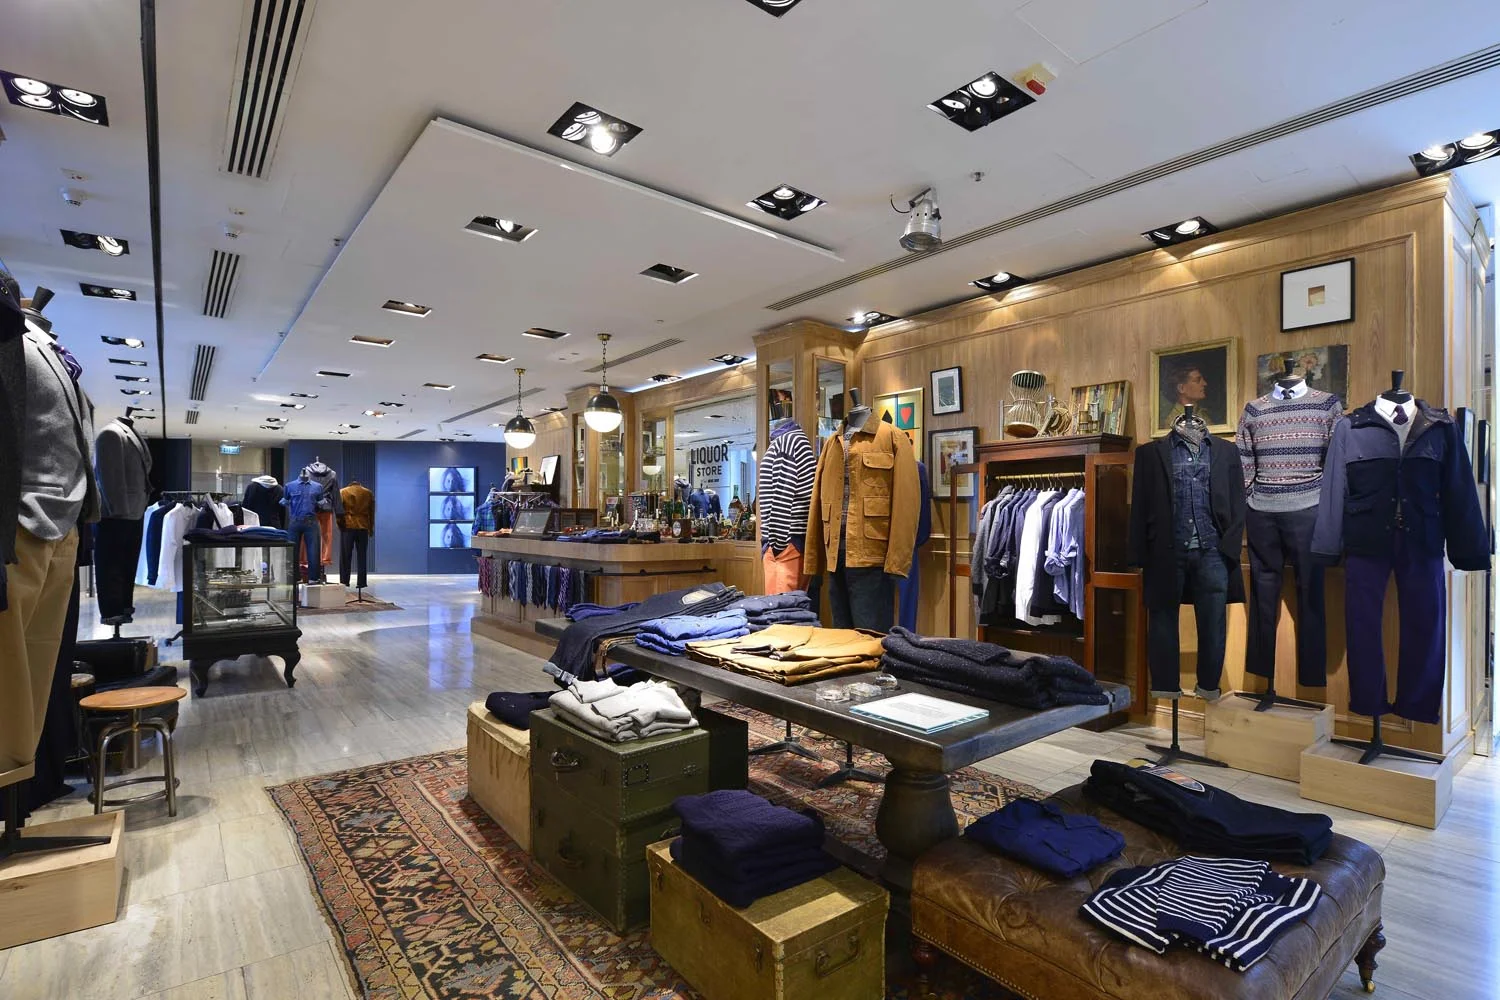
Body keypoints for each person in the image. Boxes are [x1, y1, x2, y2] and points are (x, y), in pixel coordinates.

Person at [1163, 362, 1212, 428]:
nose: (1204, 383)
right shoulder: (1173, 421)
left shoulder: (1202, 413)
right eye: (1197, 380)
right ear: (1181, 388)